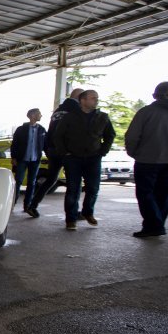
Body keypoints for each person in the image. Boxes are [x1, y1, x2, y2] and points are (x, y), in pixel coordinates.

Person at [124, 81, 168, 237]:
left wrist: (133, 152)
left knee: (145, 193)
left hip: (147, 160)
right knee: (165, 194)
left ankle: (154, 225)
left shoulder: (146, 112)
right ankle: (156, 224)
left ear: (156, 93)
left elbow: (132, 136)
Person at [54, 90, 116, 230]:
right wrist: (65, 153)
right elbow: (58, 136)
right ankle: (71, 219)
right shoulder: (70, 117)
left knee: (93, 188)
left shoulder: (102, 117)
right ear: (83, 100)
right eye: (93, 98)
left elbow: (110, 135)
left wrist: (102, 151)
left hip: (93, 158)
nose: (96, 101)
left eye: (97, 98)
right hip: (73, 158)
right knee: (73, 189)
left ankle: (88, 212)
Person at [27, 88, 84, 214]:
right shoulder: (76, 110)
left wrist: (48, 149)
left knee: (51, 179)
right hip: (67, 151)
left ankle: (33, 205)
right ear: (80, 98)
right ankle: (73, 213)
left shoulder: (58, 110)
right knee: (74, 182)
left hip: (53, 150)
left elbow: (50, 131)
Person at [10, 108, 46, 217]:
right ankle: (12, 204)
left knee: (32, 183)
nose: (41, 115)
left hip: (35, 160)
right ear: (32, 115)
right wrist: (14, 157)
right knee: (18, 181)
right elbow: (14, 144)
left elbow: (46, 143)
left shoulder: (42, 130)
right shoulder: (21, 129)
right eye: (39, 114)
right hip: (22, 159)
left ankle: (27, 206)